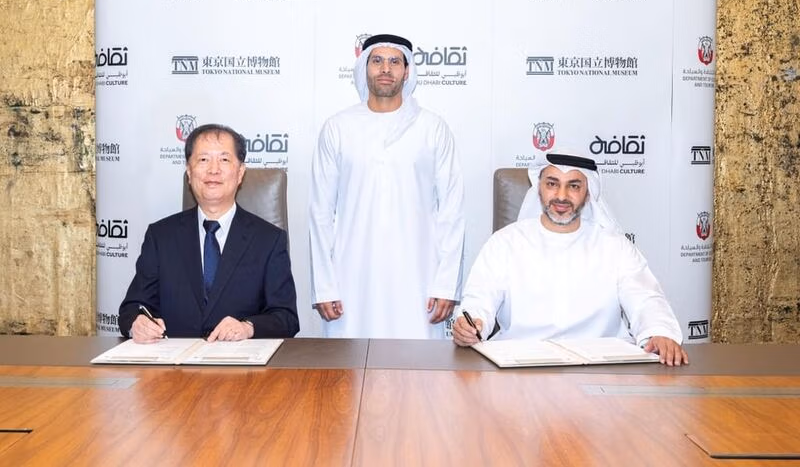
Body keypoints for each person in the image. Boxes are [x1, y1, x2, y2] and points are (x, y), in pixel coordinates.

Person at [453, 150, 688, 366]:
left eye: (573, 186)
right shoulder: (504, 243)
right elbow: (479, 300)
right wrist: (471, 324)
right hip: (521, 368)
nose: (561, 196)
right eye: (552, 184)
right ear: (539, 188)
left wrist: (659, 332)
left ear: (587, 193)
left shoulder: (615, 246)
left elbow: (645, 299)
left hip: (601, 369)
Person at [309, 33, 465, 338]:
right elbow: (321, 213)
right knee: (349, 364)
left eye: (395, 62)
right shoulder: (338, 128)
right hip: (351, 277)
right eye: (377, 61)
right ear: (364, 68)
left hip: (418, 276)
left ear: (407, 71)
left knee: (417, 363)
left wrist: (446, 285)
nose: (385, 69)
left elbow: (452, 211)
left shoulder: (432, 128)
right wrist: (324, 286)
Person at [119, 123, 299, 343]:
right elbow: (131, 308)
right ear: (189, 171)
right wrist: (136, 324)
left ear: (240, 172)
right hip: (175, 362)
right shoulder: (161, 237)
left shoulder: (268, 240)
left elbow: (286, 318)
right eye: (203, 159)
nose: (213, 170)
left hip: (239, 361)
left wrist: (247, 327)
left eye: (224, 160)